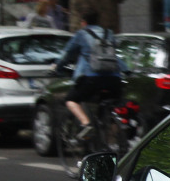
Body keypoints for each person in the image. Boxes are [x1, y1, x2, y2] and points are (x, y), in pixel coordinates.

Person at [54, 10, 126, 139]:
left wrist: (56, 67)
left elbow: (67, 54)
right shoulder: (108, 33)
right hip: (114, 78)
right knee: (110, 105)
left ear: (84, 22)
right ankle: (116, 140)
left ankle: (86, 124)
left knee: (71, 100)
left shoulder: (81, 34)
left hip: (91, 78)